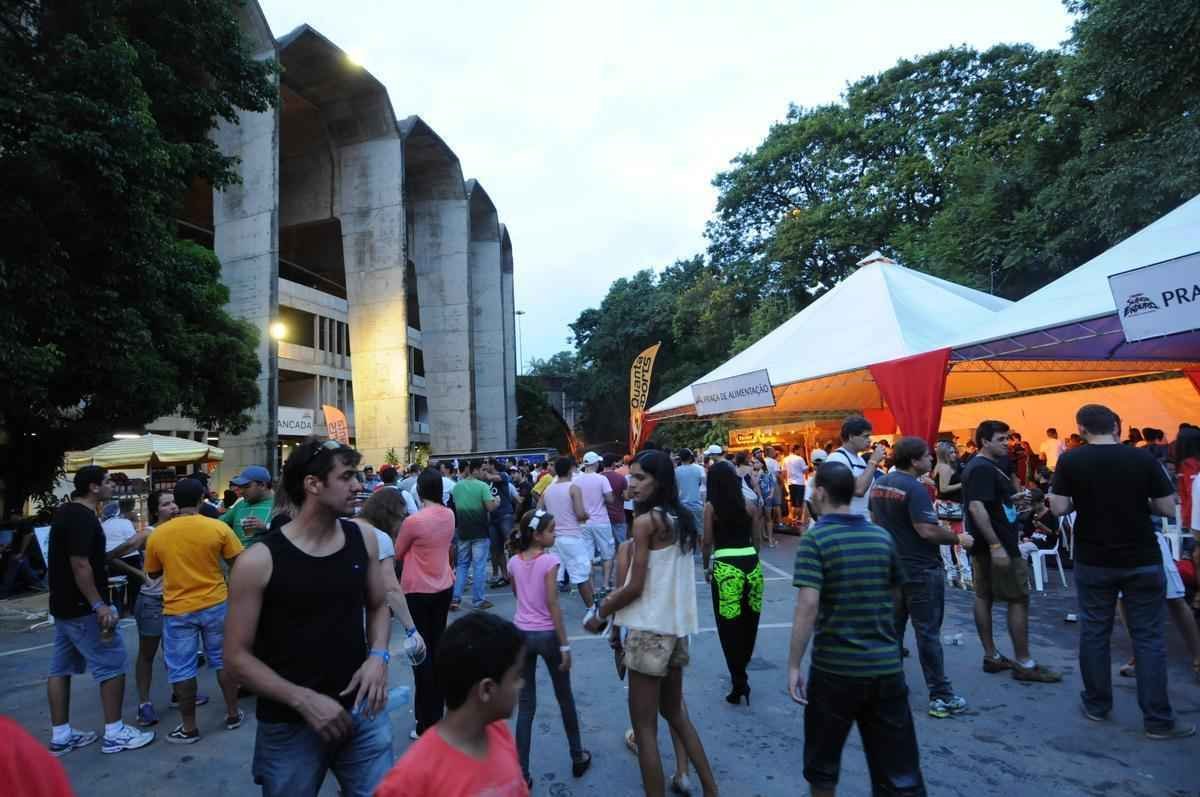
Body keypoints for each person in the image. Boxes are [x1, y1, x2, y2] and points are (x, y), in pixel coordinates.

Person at [224, 438, 394, 796]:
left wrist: (378, 656)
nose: (358, 486)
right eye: (346, 477)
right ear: (313, 484)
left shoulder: (362, 537)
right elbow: (236, 658)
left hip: (361, 713)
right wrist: (303, 699)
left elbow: (379, 605)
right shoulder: (258, 562)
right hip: (289, 728)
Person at [1049, 405, 1195, 738]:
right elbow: (1166, 507)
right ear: (1115, 426)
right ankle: (1158, 720)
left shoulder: (1071, 459)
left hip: (1094, 559)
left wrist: (1082, 500)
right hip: (1140, 557)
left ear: (1082, 429)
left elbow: (1058, 507)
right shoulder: (1141, 458)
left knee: (1095, 632)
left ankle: (1097, 705)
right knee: (1148, 638)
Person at [585, 450, 719, 797]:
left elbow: (633, 586)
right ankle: (711, 789)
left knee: (644, 731)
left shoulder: (646, 523)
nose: (632, 484)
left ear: (659, 481)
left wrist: (601, 613)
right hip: (675, 632)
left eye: (640, 477)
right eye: (631, 476)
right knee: (677, 715)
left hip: (648, 632)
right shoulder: (682, 518)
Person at [787, 461, 926, 797]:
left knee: (823, 767)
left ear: (819, 493)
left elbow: (808, 606)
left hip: (835, 669)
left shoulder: (816, 538)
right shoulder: (881, 537)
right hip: (885, 668)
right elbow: (895, 595)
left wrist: (793, 665)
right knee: (898, 771)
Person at [45, 466, 155, 756]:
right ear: (94, 487)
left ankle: (61, 735)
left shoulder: (68, 513)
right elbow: (80, 564)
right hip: (83, 607)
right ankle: (115, 732)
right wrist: (98, 604)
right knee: (112, 663)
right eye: (107, 482)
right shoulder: (82, 518)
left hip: (63, 606)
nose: (111, 487)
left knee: (60, 669)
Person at [869, 437, 972, 719]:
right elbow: (927, 531)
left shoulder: (880, 485)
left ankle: (889, 689)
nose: (931, 460)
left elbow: (876, 522)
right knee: (927, 634)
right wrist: (958, 537)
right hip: (920, 568)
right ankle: (941, 695)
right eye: (927, 456)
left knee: (893, 632)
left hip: (893, 568)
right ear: (914, 461)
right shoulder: (913, 488)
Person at [375, 613, 530, 797]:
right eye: (516, 677)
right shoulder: (413, 777)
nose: (522, 684)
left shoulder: (499, 733)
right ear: (486, 690)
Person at [143, 478, 245, 743]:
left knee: (182, 669)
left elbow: (153, 572)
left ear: (176, 502)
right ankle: (233, 713)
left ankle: (189, 728)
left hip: (178, 609)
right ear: (202, 499)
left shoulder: (158, 534)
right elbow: (239, 562)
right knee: (223, 661)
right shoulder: (217, 527)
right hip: (216, 603)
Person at [963, 420, 1061, 683]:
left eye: (1007, 438)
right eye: (1001, 439)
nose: (1007, 443)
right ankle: (1024, 663)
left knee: (984, 596)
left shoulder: (987, 466)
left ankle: (993, 657)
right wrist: (996, 546)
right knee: (1018, 598)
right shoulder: (982, 467)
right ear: (984, 441)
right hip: (997, 545)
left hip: (988, 543)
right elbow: (976, 507)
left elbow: (987, 503)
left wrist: (1011, 500)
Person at [106, 489, 208, 727]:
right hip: (153, 601)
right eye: (165, 504)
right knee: (147, 654)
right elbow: (111, 556)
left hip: (179, 599)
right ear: (155, 510)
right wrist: (141, 574)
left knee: (175, 651)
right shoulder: (149, 533)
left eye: (173, 502)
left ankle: (178, 694)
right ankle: (144, 704)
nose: (172, 507)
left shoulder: (186, 526)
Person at [507, 508, 591, 786]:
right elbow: (553, 603)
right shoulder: (549, 561)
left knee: (526, 705)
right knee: (564, 696)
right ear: (538, 535)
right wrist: (565, 645)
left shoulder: (514, 562)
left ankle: (522, 773)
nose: (555, 534)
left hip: (521, 633)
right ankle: (577, 756)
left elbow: (518, 594)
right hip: (546, 635)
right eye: (552, 530)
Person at [394, 468, 456, 739]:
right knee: (437, 646)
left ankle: (426, 721)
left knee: (422, 655)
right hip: (444, 585)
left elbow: (397, 552)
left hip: (418, 590)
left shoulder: (414, 522)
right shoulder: (449, 515)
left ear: (418, 490)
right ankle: (437, 712)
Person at [701, 460, 763, 706]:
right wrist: (753, 560)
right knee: (750, 623)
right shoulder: (749, 506)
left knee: (728, 626)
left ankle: (738, 679)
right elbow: (757, 540)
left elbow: (706, 541)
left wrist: (706, 566)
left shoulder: (711, 508)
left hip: (726, 567)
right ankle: (742, 671)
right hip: (751, 566)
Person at [355, 489, 427, 670]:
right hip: (361, 628)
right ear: (389, 513)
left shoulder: (345, 526)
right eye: (402, 517)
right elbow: (391, 588)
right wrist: (412, 630)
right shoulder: (380, 537)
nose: (403, 522)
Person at [539, 456, 596, 609]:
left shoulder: (548, 490)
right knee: (582, 576)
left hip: (554, 539)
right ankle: (592, 609)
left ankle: (547, 610)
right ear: (571, 468)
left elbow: (540, 510)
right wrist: (587, 515)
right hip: (572, 537)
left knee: (554, 578)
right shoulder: (573, 488)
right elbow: (580, 514)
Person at [449, 460, 500, 612]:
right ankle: (478, 600)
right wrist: (496, 501)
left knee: (462, 565)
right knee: (479, 565)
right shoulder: (482, 486)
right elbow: (490, 507)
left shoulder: (457, 487)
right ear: (475, 470)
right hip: (480, 531)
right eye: (482, 470)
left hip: (463, 531)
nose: (485, 473)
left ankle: (455, 598)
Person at [827, 415, 885, 520]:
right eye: (865, 436)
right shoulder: (837, 458)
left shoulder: (859, 459)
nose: (869, 440)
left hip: (862, 523)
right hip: (848, 525)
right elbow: (859, 490)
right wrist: (873, 461)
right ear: (851, 437)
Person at [933, 440, 972, 589]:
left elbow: (938, 487)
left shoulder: (940, 466)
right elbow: (943, 488)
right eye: (951, 452)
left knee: (946, 542)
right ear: (944, 453)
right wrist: (963, 483)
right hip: (952, 508)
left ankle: (952, 574)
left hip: (944, 506)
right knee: (959, 541)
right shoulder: (944, 467)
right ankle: (965, 576)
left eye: (954, 451)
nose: (954, 454)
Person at [576, 451, 617, 588]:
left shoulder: (577, 480)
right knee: (607, 554)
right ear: (595, 463)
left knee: (588, 558)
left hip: (583, 523)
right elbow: (610, 499)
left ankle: (592, 588)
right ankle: (605, 585)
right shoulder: (601, 479)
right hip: (601, 521)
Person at [219, 465, 274, 545]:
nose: (241, 491)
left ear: (262, 485)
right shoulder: (241, 504)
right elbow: (219, 523)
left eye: (246, 487)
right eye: (240, 487)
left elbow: (291, 535)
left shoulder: (280, 505)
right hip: (238, 556)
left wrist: (266, 527)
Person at [674, 448, 705, 541]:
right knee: (700, 531)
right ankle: (700, 553)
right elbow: (703, 484)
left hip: (681, 505)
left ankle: (687, 552)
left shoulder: (676, 471)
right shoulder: (699, 469)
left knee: (683, 532)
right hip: (697, 504)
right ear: (690, 457)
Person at [602, 454, 630, 548]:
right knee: (623, 545)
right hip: (618, 515)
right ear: (613, 464)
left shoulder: (598, 478)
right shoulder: (621, 478)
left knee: (606, 547)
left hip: (602, 517)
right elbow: (626, 497)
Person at [782, 444, 809, 525]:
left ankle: (793, 519)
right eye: (800, 449)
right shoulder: (799, 459)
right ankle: (799, 520)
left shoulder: (785, 459)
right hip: (799, 483)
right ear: (796, 450)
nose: (801, 451)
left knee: (793, 503)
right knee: (799, 504)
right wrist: (808, 468)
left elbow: (784, 472)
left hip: (790, 483)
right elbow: (804, 471)